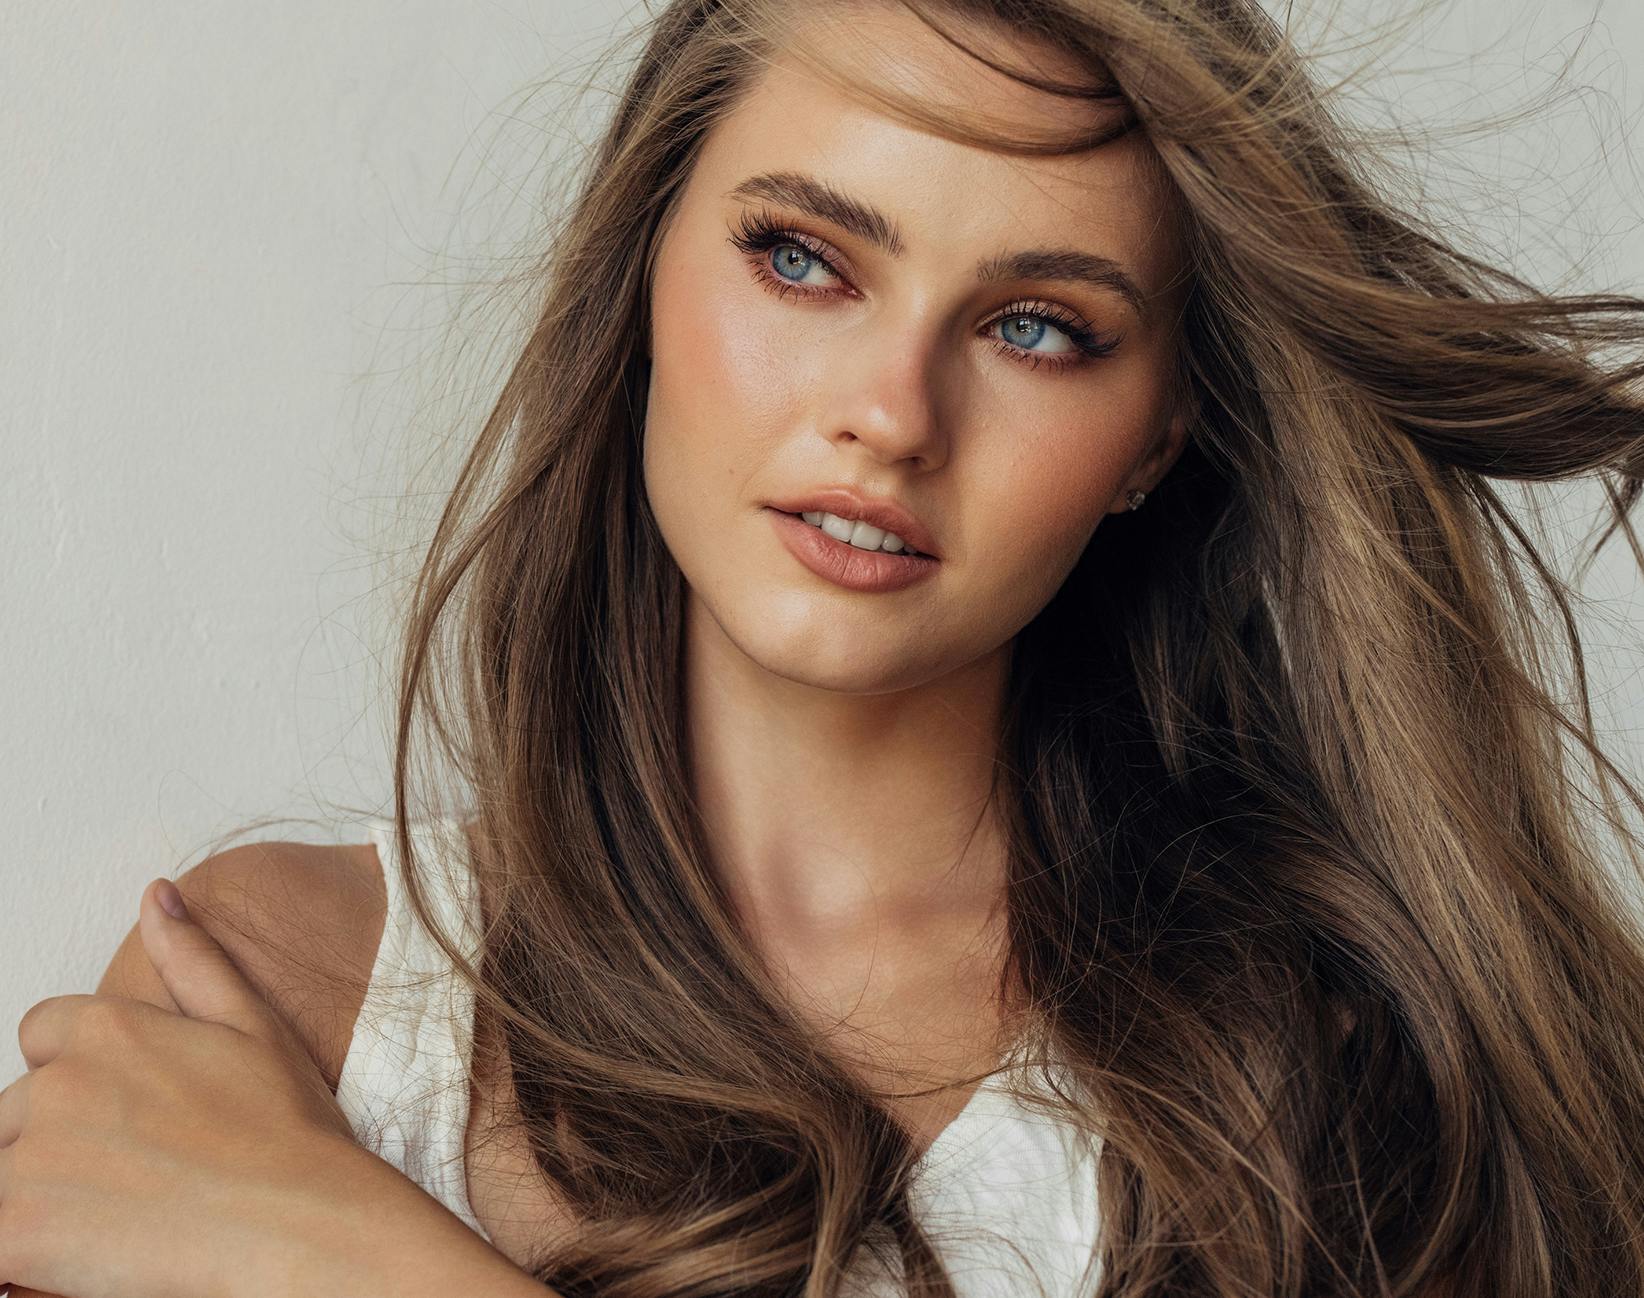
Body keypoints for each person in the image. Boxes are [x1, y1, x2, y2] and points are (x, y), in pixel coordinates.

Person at [94, 0, 1644, 1294]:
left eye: (1035, 325)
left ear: (1160, 435)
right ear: (645, 266)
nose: (893, 415)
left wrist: (365, 1260)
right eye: (803, 258)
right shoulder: (281, 993)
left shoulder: (1346, 1069)